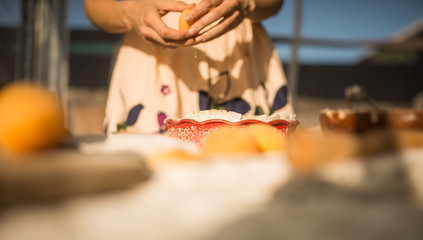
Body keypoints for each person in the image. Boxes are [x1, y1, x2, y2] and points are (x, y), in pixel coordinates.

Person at [84, 0, 293, 134]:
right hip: (151, 55)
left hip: (241, 60)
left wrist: (247, 3)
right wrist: (133, 12)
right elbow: (94, 5)